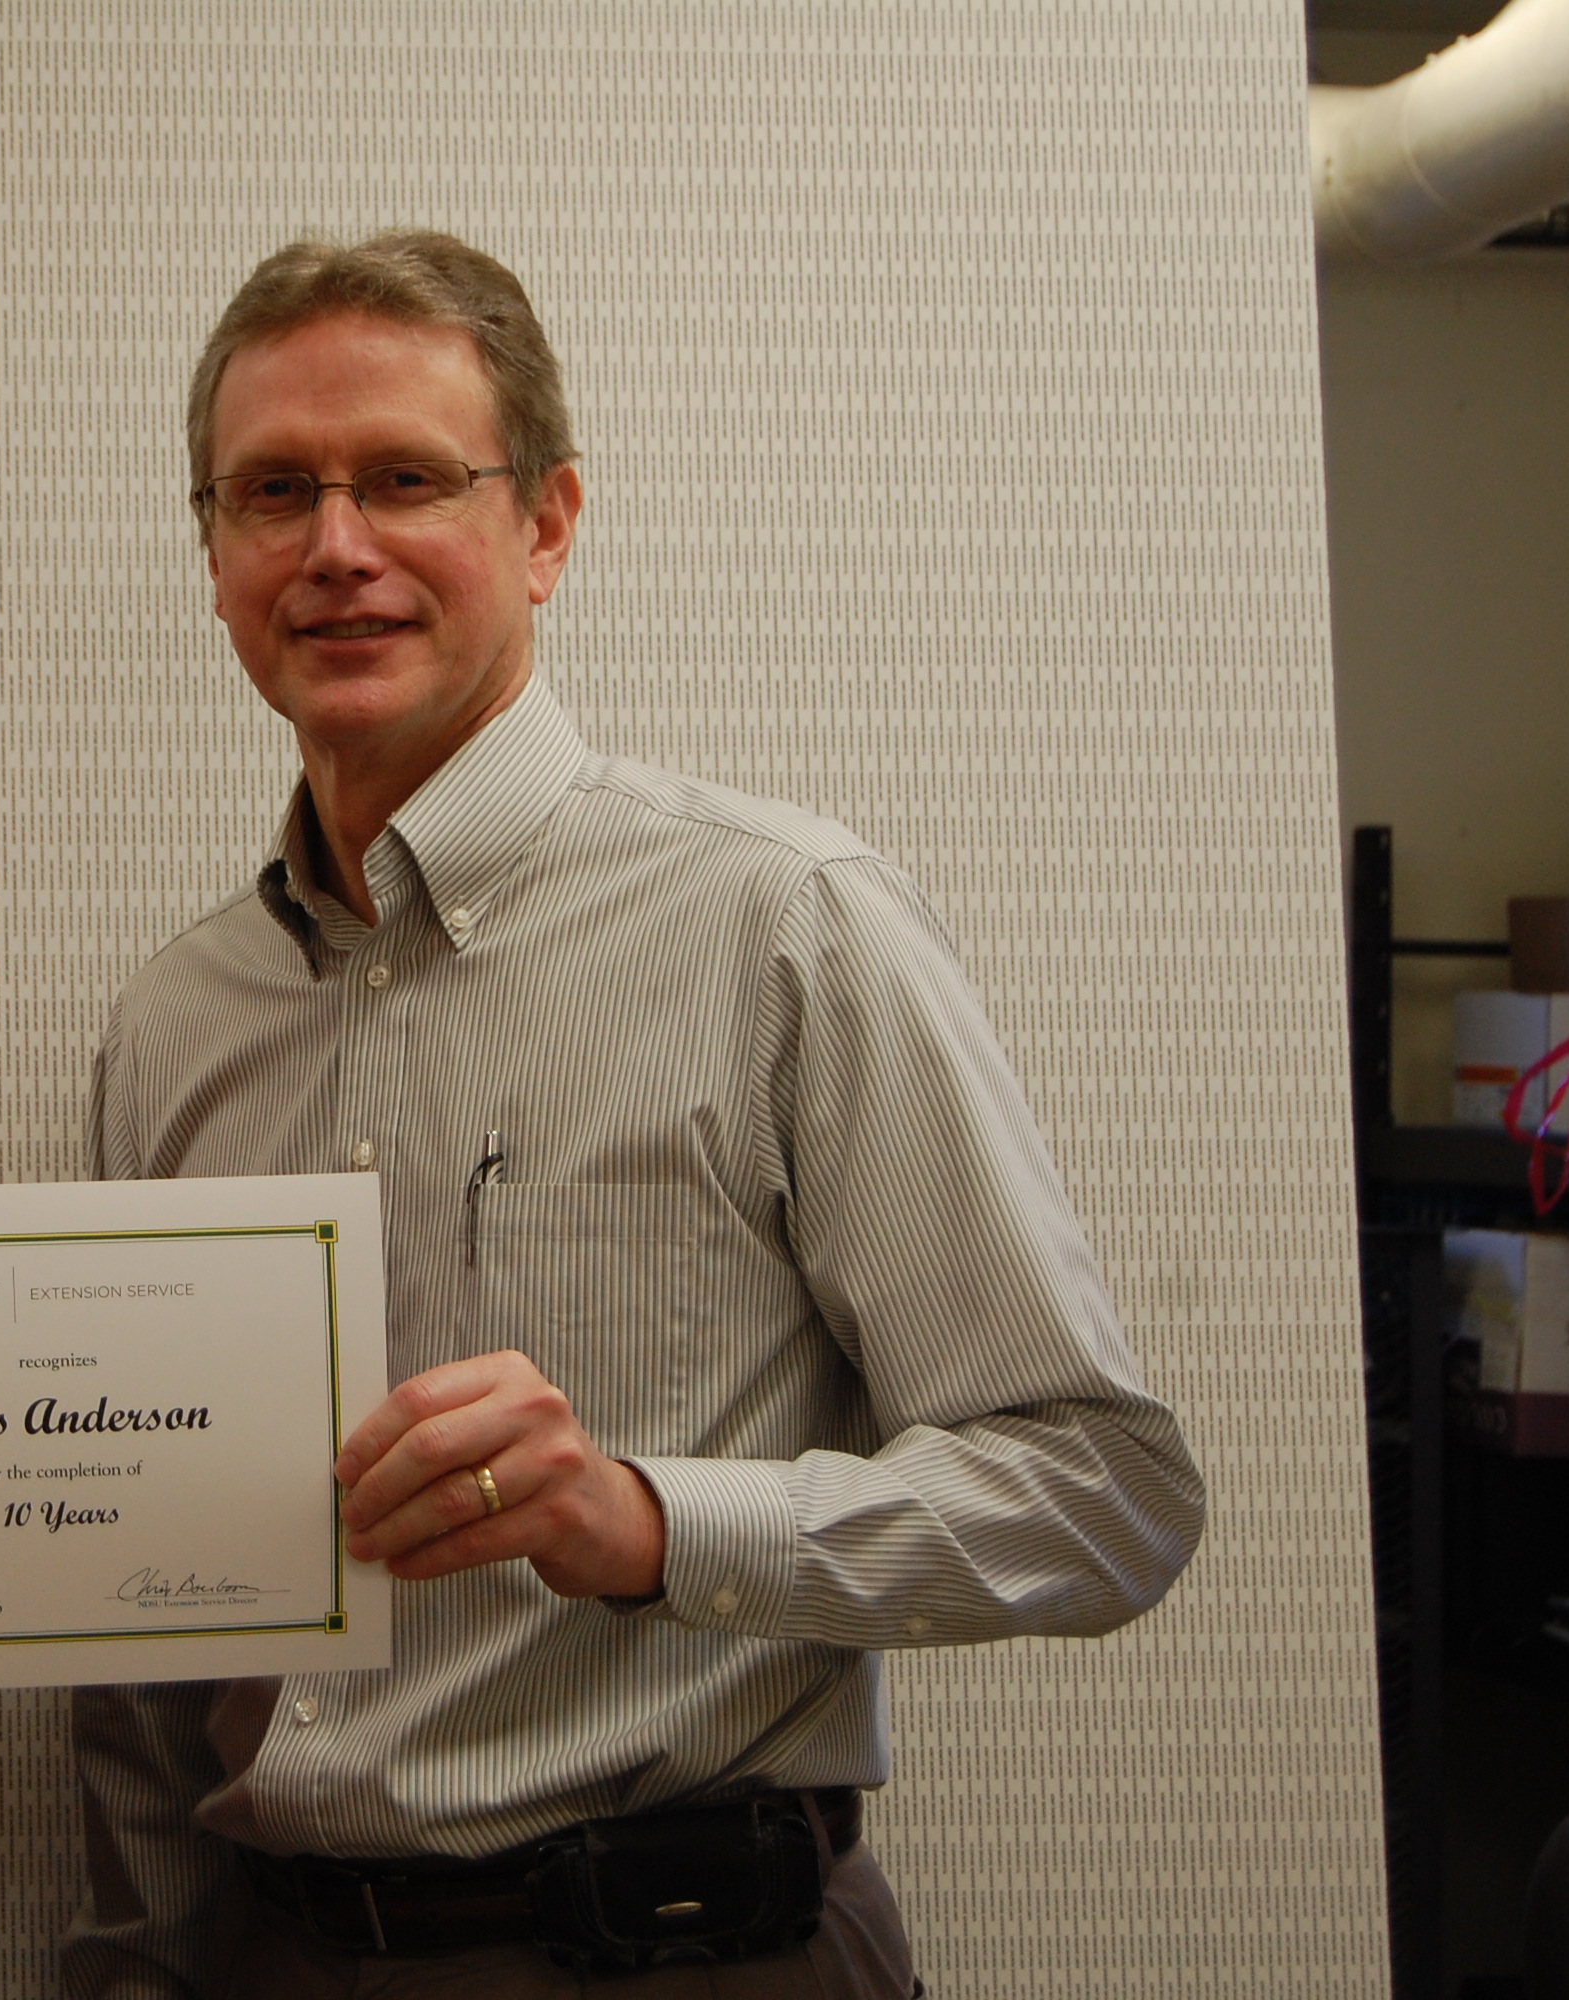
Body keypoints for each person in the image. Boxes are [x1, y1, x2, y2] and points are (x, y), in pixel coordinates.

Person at [63, 233, 1205, 1999]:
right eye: (272, 491)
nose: (336, 546)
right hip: (279, 1960)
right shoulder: (172, 1025)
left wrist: (654, 1524)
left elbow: (1100, 1495)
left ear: (548, 525)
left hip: (686, 1954)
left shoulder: (785, 925)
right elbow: (141, 1638)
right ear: (214, 553)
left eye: (407, 480)